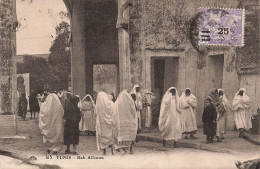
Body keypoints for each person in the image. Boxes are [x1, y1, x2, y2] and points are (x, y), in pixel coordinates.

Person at [112, 90, 137, 155]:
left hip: (119, 123)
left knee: (120, 136)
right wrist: (133, 119)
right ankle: (130, 149)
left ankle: (122, 149)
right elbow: (133, 112)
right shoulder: (130, 102)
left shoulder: (117, 102)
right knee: (130, 136)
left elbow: (113, 112)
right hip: (129, 122)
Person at [95, 91, 114, 155]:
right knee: (110, 137)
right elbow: (114, 112)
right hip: (110, 123)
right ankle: (112, 151)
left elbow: (95, 113)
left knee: (103, 137)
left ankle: (104, 151)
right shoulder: (111, 103)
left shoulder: (99, 105)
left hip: (102, 123)